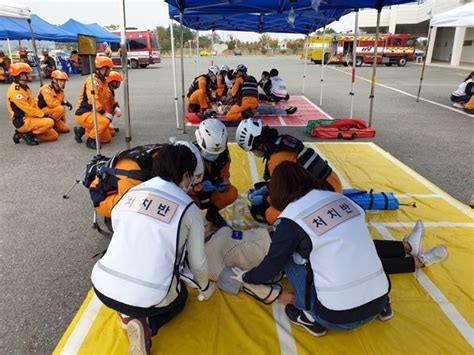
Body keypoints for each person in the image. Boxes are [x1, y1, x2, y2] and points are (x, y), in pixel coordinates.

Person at [234, 161, 391, 336]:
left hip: (337, 319)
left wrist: (247, 277)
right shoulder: (343, 200)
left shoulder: (291, 220)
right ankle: (384, 307)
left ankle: (307, 315)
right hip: (380, 300)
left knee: (290, 258)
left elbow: (272, 265)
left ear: (277, 191)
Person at [91, 143, 214, 354]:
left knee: (137, 291)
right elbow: (198, 262)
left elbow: (119, 230)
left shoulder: (131, 193)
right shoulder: (188, 208)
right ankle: (147, 326)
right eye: (191, 177)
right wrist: (204, 287)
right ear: (185, 174)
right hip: (151, 296)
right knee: (180, 297)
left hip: (103, 288)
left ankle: (127, 316)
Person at [236, 118, 342, 224]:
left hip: (326, 195)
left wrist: (264, 200)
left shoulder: (276, 160)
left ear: (258, 144)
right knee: (266, 188)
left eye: (253, 150)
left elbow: (281, 198)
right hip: (331, 182)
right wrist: (265, 189)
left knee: (270, 213)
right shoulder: (283, 141)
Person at [90, 141, 204, 220]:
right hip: (104, 195)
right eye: (189, 177)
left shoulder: (165, 154)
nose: (189, 182)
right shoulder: (139, 179)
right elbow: (132, 215)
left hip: (123, 175)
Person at [189, 119, 238, 227]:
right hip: (193, 195)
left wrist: (221, 184)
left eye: (217, 153)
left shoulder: (224, 155)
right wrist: (195, 189)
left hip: (210, 191)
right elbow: (179, 186)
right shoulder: (189, 155)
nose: (213, 156)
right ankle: (188, 222)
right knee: (188, 204)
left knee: (231, 193)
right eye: (209, 152)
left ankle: (212, 214)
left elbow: (224, 175)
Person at [6, 63, 57, 145]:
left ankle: (28, 133)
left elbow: (33, 105)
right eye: (28, 73)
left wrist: (42, 114)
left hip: (30, 118)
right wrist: (43, 115)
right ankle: (23, 133)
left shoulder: (25, 87)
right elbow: (28, 109)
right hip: (22, 121)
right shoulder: (15, 91)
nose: (31, 75)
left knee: (53, 136)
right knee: (50, 122)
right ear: (21, 75)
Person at [73, 56, 114, 149]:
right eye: (109, 68)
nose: (110, 71)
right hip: (84, 112)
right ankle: (90, 140)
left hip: (93, 112)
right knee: (104, 122)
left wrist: (115, 105)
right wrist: (104, 113)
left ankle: (81, 130)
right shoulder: (92, 81)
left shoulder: (103, 81)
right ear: (103, 69)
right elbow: (93, 100)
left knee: (106, 139)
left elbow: (106, 97)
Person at [37, 70, 72, 134]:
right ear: (54, 80)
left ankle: (51, 125)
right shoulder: (46, 89)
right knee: (61, 108)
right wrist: (64, 102)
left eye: (64, 81)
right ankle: (47, 124)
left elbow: (61, 110)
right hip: (42, 111)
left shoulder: (61, 92)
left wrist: (63, 121)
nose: (63, 83)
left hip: (52, 114)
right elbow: (52, 104)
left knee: (66, 129)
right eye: (61, 81)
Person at [104, 70, 123, 135]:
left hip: (103, 114)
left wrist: (116, 107)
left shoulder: (109, 90)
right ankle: (81, 130)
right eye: (118, 82)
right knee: (111, 134)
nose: (119, 83)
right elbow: (103, 107)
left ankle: (106, 125)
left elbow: (113, 101)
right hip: (100, 114)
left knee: (113, 108)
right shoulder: (107, 92)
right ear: (113, 82)